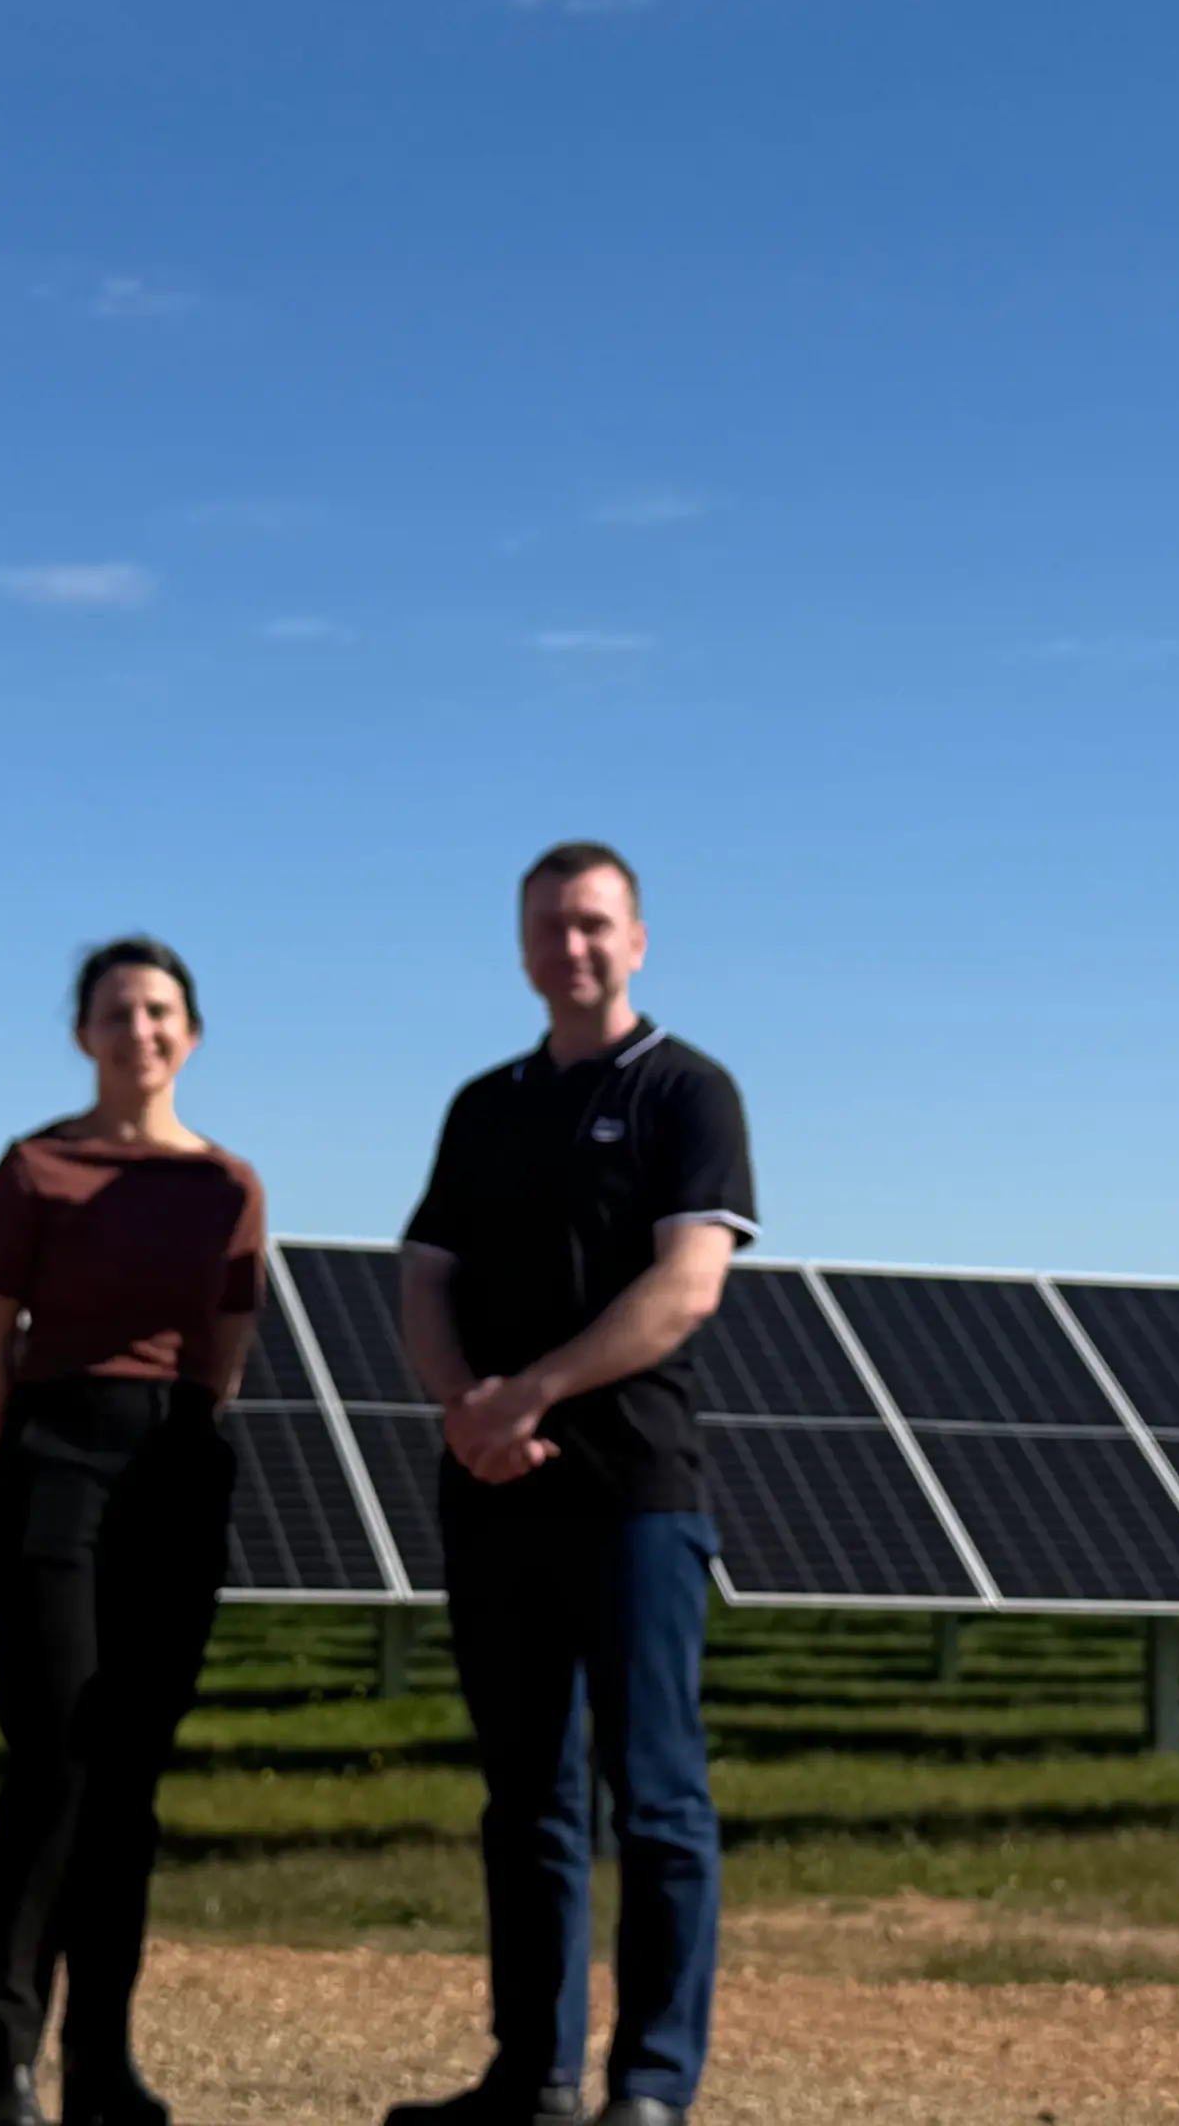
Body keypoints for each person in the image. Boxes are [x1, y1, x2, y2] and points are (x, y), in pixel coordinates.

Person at [387, 843, 755, 2126]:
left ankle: (649, 2083)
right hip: (495, 1490)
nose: (574, 946)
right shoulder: (484, 1105)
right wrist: (464, 1409)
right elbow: (426, 1271)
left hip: (634, 1489)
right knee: (529, 1796)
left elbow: (686, 1285)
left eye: (595, 923)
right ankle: (530, 2075)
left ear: (637, 940)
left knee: (655, 1794)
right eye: (550, 926)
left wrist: (528, 1393)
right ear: (523, 948)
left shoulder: (686, 1091)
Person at [0, 936, 260, 2126]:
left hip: (175, 1469)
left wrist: (176, 1441)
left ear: (193, 1032)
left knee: (129, 1773)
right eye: (118, 1011)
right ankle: (6, 2065)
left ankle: (102, 2063)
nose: (141, 1030)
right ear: (84, 1033)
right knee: (56, 1759)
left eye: (160, 1010)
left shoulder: (229, 1185)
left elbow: (224, 1350)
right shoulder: (37, 1168)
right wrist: (29, 1460)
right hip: (58, 1461)